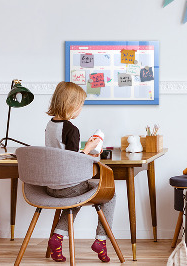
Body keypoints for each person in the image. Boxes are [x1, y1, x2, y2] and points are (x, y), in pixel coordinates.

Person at [45, 81, 115, 263]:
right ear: (71, 105)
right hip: (68, 186)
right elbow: (72, 161)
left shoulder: (50, 125)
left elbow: (62, 154)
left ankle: (57, 238)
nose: (81, 109)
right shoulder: (71, 129)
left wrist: (84, 149)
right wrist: (89, 149)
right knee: (110, 194)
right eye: (81, 104)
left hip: (51, 186)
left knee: (76, 198)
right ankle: (101, 240)